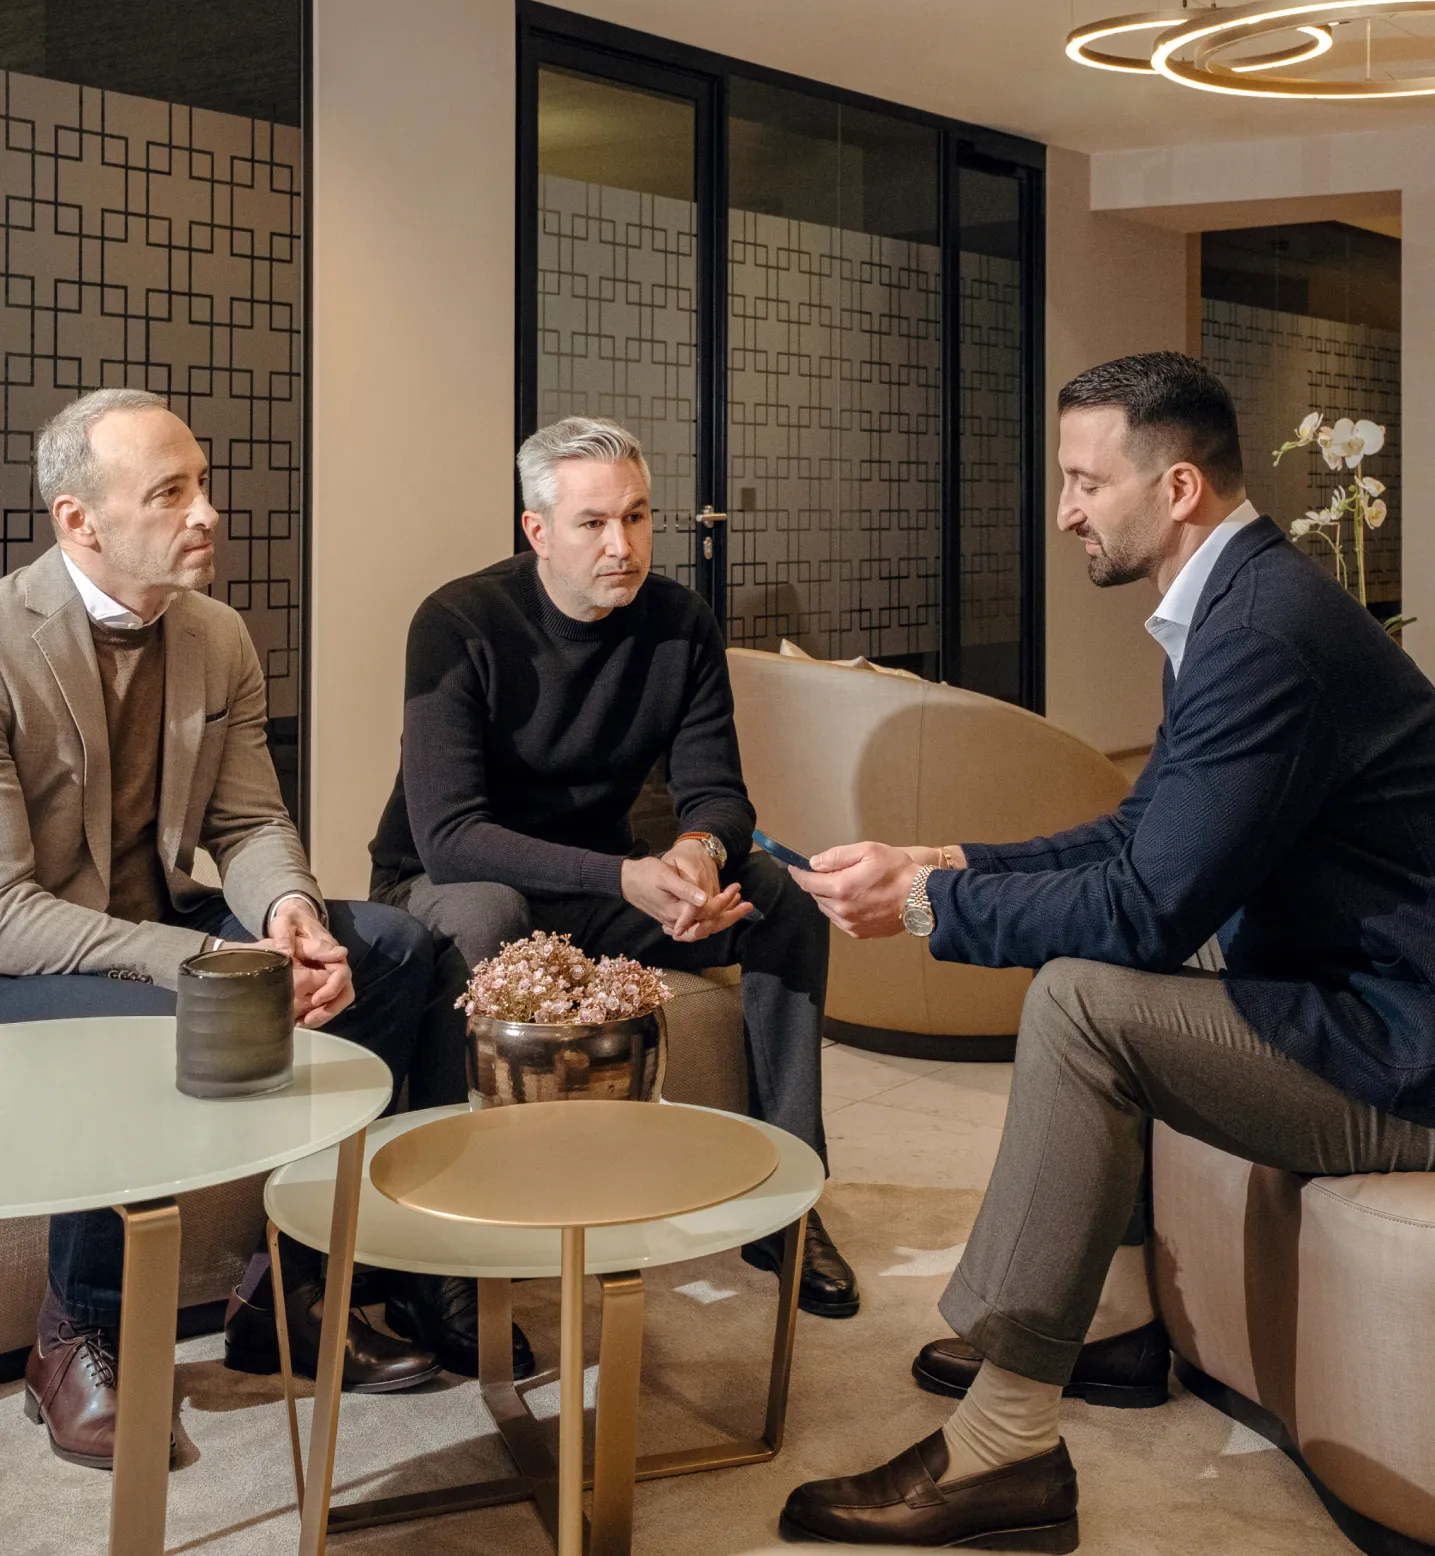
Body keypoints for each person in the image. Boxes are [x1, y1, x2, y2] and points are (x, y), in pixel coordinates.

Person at [776, 353, 1435, 1550]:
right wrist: (950, 859)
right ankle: (1116, 1320)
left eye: (1086, 482)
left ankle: (1003, 1450)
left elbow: (1145, 909)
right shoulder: (1235, 602)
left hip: (1407, 1049)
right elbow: (1145, 831)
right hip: (1356, 996)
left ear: (1177, 486)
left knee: (1088, 999)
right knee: (1104, 977)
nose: (1068, 509)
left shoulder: (1264, 635)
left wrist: (926, 909)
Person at [7, 389, 442, 1473]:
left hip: (157, 914)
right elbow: (7, 910)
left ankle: (288, 1290)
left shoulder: (216, 634)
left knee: (395, 953)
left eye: (203, 483)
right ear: (80, 523)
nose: (208, 513)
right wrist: (209, 960)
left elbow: (247, 820)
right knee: (171, 1012)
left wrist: (290, 914)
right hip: (23, 951)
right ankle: (76, 1336)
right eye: (171, 493)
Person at [369, 416, 858, 1373]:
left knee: (782, 900)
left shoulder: (679, 622)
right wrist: (625, 873)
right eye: (593, 522)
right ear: (537, 530)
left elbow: (719, 793)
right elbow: (451, 837)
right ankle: (437, 1268)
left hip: (601, 881)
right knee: (489, 917)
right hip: (450, 882)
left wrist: (699, 856)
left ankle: (789, 1200)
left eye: (637, 517)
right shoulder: (459, 623)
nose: (622, 546)